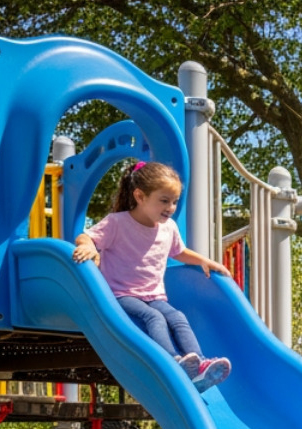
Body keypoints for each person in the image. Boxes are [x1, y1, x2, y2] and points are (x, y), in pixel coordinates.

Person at [72, 160, 233, 392]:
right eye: (164, 201)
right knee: (154, 318)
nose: (171, 207)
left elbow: (179, 251)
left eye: (174, 201)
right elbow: (86, 236)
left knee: (177, 317)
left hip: (154, 295)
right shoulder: (117, 223)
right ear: (140, 196)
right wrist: (88, 246)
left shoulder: (169, 228)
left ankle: (199, 363)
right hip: (121, 294)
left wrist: (203, 261)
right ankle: (173, 361)